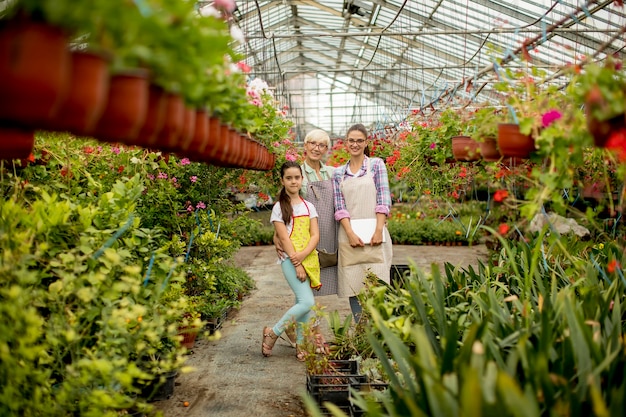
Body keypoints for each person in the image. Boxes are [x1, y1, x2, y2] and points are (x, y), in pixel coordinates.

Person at [274, 129, 337, 352]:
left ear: (327, 149)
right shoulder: (297, 173)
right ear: (305, 146)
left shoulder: (332, 172)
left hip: (325, 236)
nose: (317, 148)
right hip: (303, 243)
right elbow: (284, 206)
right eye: (313, 143)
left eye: (322, 145)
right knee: (309, 293)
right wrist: (277, 235)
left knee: (316, 290)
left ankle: (296, 332)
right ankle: (313, 335)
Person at [332, 123, 392, 323]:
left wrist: (378, 230)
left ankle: (379, 332)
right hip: (349, 236)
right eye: (351, 140)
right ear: (345, 144)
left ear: (366, 143)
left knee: (378, 283)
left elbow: (383, 200)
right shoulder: (338, 173)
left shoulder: (376, 165)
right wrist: (349, 233)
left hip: (376, 234)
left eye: (359, 140)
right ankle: (361, 332)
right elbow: (339, 207)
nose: (355, 144)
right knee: (354, 284)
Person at [262, 161, 321, 361]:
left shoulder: (309, 206)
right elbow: (284, 238)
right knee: (307, 302)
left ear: (302, 179)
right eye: (289, 178)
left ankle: (301, 344)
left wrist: (304, 255)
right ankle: (274, 332)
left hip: (308, 258)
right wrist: (297, 263)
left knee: (301, 302)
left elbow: (315, 235)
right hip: (289, 260)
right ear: (283, 180)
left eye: (297, 177)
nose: (293, 181)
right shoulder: (279, 207)